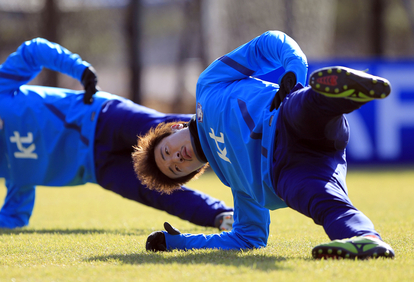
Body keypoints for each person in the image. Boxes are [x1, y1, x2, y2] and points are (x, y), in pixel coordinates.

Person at [133, 30, 395, 259]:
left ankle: (343, 92)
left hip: (283, 119)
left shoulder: (208, 85)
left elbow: (266, 44)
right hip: (293, 172)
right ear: (193, 172)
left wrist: (293, 69)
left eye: (166, 151)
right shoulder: (238, 185)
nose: (176, 159)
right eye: (176, 169)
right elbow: (247, 239)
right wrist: (178, 243)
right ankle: (366, 239)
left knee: (306, 106)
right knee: (321, 201)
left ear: (175, 127)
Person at [0, 37, 234, 231]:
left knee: (181, 131)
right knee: (157, 190)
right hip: (100, 169)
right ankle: (223, 217)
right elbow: (14, 218)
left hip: (102, 117)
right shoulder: (10, 171)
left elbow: (34, 51)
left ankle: (250, 120)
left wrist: (79, 69)